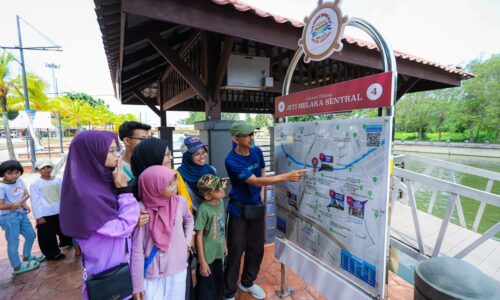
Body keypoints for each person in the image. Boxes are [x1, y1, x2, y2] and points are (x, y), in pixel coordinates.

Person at [224, 121, 308, 300]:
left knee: (256, 249)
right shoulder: (231, 160)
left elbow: (261, 171)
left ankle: (247, 282)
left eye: (252, 134)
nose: (251, 138)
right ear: (235, 138)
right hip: (239, 211)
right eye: (247, 135)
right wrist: (286, 177)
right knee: (235, 251)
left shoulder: (257, 151)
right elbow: (254, 181)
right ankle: (229, 293)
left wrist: (261, 196)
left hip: (256, 207)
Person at [60, 130, 140, 300]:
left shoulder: (103, 181)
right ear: (93, 153)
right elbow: (123, 227)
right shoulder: (86, 194)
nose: (117, 155)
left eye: (116, 149)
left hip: (118, 264)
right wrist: (125, 191)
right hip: (105, 272)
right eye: (111, 151)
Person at [130, 137, 195, 300]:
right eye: (166, 154)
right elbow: (136, 248)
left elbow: (188, 217)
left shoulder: (175, 195)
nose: (171, 158)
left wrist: (188, 241)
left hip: (177, 266)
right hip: (152, 271)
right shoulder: (135, 203)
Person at [0, 160, 44, 275]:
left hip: (21, 213)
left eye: (16, 172)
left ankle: (26, 256)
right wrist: (14, 205)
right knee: (13, 241)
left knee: (31, 235)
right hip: (8, 217)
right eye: (10, 173)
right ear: (3, 173)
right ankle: (17, 266)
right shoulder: (1, 187)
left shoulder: (19, 180)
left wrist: (22, 204)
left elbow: (26, 194)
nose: (14, 175)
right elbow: (1, 206)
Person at [130, 137, 193, 211]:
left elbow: (187, 208)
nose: (171, 157)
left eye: (170, 153)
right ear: (152, 159)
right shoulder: (131, 195)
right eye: (167, 154)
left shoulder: (174, 176)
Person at [30, 159, 72, 260]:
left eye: (48, 167)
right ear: (37, 170)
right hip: (46, 214)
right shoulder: (35, 184)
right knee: (47, 235)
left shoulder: (58, 180)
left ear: (52, 168)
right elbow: (35, 201)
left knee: (63, 229)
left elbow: (64, 194)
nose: (46, 170)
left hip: (60, 211)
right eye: (42, 168)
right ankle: (52, 253)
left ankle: (66, 241)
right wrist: (38, 216)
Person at [194, 174, 227, 300]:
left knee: (218, 283)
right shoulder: (203, 209)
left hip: (218, 253)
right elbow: (199, 236)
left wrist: (224, 244)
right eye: (218, 190)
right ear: (208, 196)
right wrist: (202, 262)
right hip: (206, 257)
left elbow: (221, 225)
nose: (223, 190)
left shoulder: (221, 202)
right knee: (206, 288)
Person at [177, 137, 216, 214]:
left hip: (211, 215)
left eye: (204, 152)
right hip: (191, 218)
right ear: (187, 156)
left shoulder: (211, 170)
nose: (202, 156)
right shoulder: (179, 175)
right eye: (197, 154)